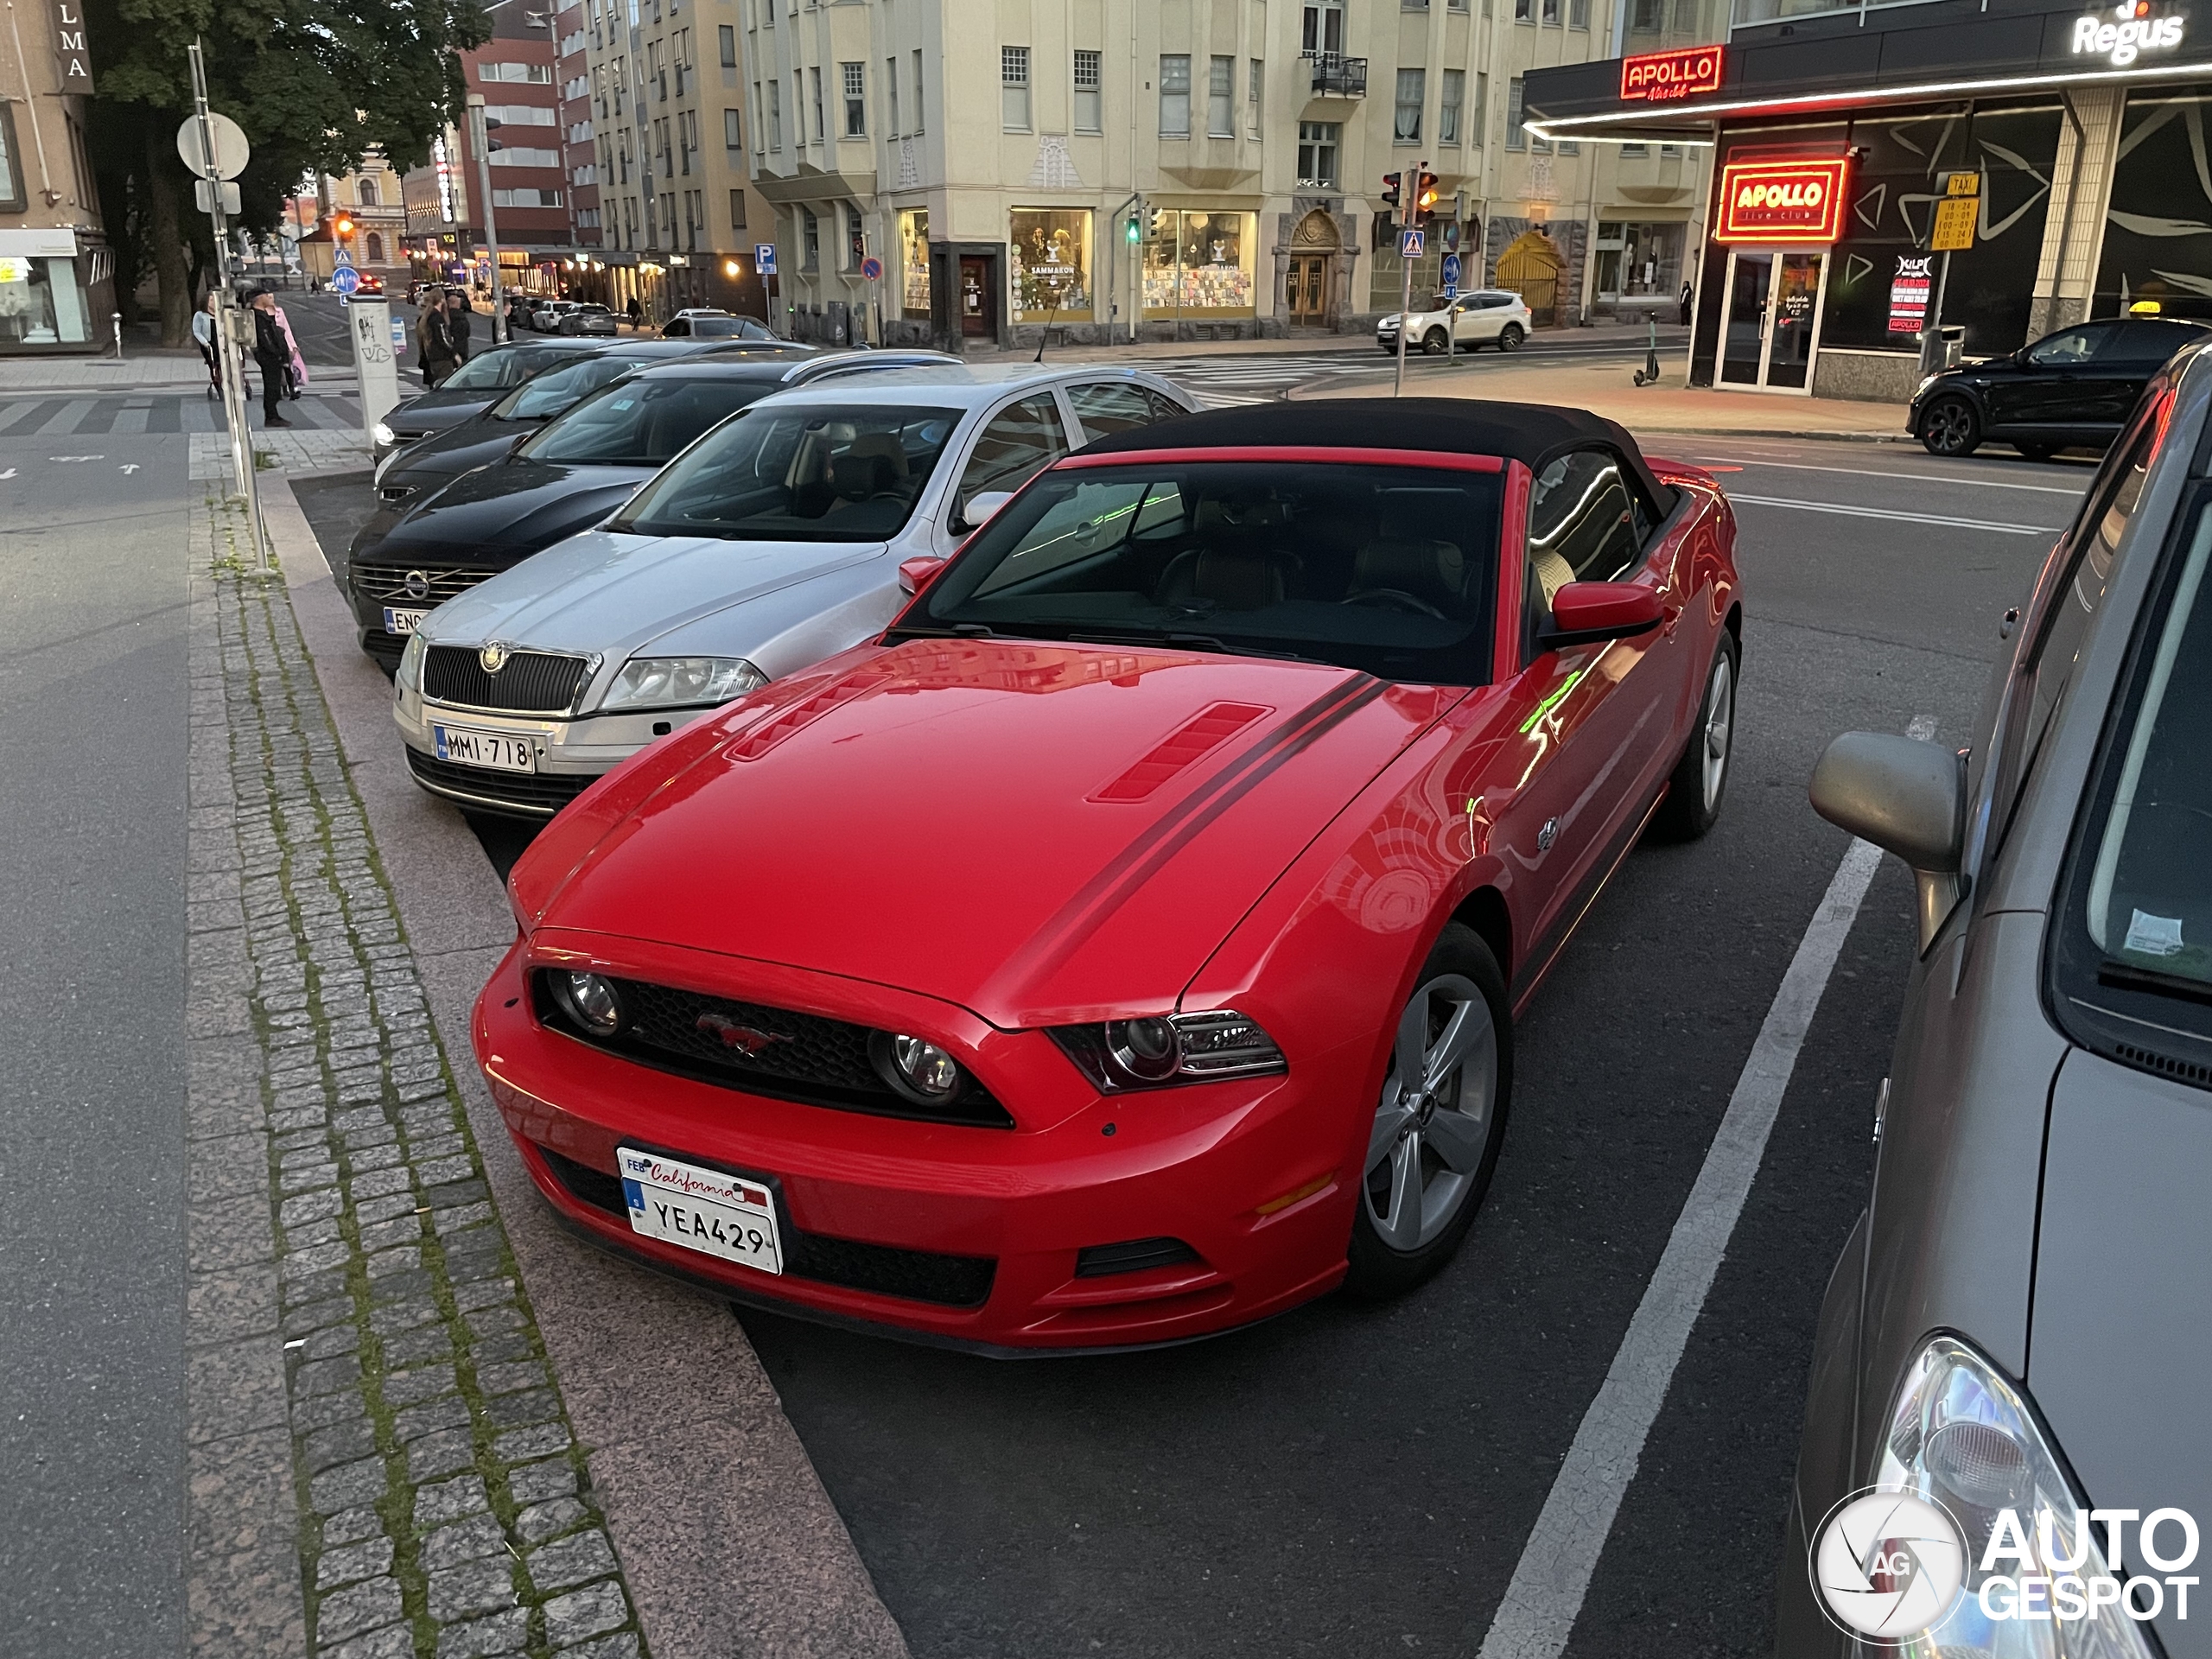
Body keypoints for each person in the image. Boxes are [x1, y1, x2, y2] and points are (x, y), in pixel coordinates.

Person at [251, 291, 289, 425]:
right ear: (260, 298)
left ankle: (274, 415)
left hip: (271, 355)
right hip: (268, 356)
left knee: (274, 385)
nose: (270, 298)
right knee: (271, 385)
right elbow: (265, 338)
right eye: (267, 296)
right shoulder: (258, 317)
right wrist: (276, 352)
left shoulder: (263, 315)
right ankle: (271, 416)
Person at [273, 297, 308, 400]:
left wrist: (293, 346)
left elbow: (287, 329)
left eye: (271, 298)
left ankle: (292, 388)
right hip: (272, 344)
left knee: (288, 367)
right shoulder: (262, 313)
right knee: (276, 369)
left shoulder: (279, 311)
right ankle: (280, 390)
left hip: (284, 344)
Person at [418, 293, 456, 386]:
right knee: (446, 386)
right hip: (442, 358)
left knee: (437, 386)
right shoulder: (438, 318)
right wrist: (453, 353)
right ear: (442, 300)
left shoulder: (427, 317)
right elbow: (442, 338)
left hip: (432, 358)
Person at [190, 291, 221, 399]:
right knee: (213, 365)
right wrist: (204, 342)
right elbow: (197, 331)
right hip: (209, 343)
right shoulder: (200, 315)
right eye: (211, 300)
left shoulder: (221, 314)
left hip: (221, 342)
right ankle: (218, 387)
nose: (214, 303)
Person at [443, 289, 474, 366]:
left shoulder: (446, 317)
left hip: (452, 352)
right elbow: (468, 333)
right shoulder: (463, 317)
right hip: (463, 349)